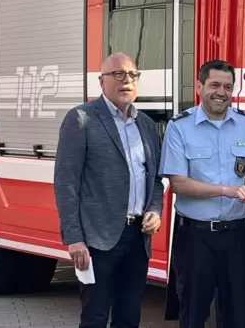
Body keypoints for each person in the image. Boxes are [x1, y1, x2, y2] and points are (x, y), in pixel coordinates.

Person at [54, 53, 165, 328]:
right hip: (97, 240)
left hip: (137, 238)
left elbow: (156, 180)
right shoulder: (81, 119)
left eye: (132, 75)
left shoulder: (147, 126)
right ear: (101, 82)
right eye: (118, 74)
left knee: (129, 317)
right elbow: (66, 182)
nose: (126, 80)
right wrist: (75, 239)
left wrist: (155, 209)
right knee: (95, 316)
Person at [159, 59, 245, 328]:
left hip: (237, 235)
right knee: (193, 313)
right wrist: (228, 190)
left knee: (239, 314)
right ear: (199, 86)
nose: (221, 92)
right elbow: (179, 183)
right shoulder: (179, 127)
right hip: (196, 237)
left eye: (227, 86)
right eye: (214, 85)